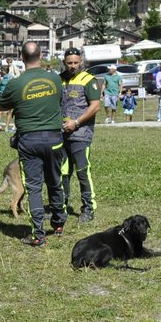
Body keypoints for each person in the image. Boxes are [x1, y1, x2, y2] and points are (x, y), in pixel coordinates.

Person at [0, 39, 67, 246]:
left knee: (34, 187)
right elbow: (60, 101)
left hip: (29, 141)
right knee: (55, 182)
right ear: (41, 56)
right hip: (55, 138)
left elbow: (1, 106)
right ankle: (58, 223)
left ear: (21, 58)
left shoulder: (15, 84)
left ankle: (38, 235)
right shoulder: (55, 80)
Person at [59, 46, 103, 223]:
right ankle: (60, 206)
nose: (73, 66)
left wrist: (76, 123)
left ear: (81, 62)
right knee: (62, 173)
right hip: (61, 135)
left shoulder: (89, 80)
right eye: (69, 63)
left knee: (83, 172)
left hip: (81, 135)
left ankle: (88, 208)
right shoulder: (59, 79)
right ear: (64, 62)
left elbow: (95, 106)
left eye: (76, 63)